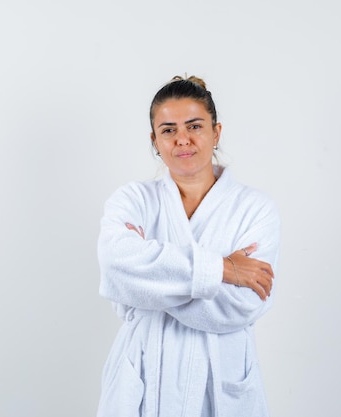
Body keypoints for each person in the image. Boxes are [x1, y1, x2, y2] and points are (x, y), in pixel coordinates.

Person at [96, 75, 281, 417]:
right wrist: (223, 269)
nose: (182, 139)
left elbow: (241, 305)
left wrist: (149, 286)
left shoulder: (254, 208)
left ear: (216, 132)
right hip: (144, 373)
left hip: (220, 377)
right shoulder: (133, 200)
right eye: (168, 130)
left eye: (194, 125)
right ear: (155, 140)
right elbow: (116, 265)